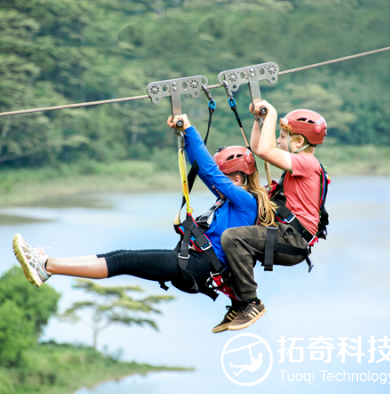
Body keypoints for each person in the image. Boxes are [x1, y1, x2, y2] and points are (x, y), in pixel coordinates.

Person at [12, 114, 276, 333]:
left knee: (124, 260)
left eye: (225, 179)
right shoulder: (230, 200)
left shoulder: (245, 202)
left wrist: (192, 129)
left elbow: (210, 172)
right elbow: (202, 169)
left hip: (196, 267)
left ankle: (46, 266)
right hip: (191, 262)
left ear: (239, 179)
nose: (217, 186)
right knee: (120, 257)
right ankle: (47, 266)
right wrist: (184, 135)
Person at [220, 100, 328, 331]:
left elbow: (265, 151)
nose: (278, 140)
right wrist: (260, 121)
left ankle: (251, 302)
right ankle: (237, 300)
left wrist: (272, 114)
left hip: (291, 239)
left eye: (282, 136)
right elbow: (260, 149)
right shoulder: (302, 164)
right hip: (287, 235)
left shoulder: (306, 163)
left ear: (299, 141)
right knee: (232, 235)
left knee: (233, 237)